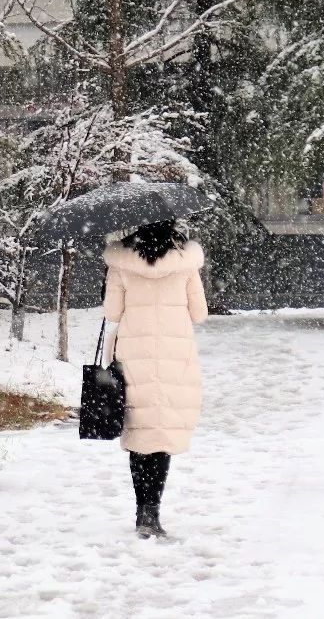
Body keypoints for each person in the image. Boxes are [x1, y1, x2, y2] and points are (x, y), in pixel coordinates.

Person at [101, 221, 209, 539]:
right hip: (174, 357)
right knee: (161, 436)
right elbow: (199, 313)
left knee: (139, 434)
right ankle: (153, 512)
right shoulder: (185, 264)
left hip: (135, 354)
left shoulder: (122, 263)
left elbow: (111, 312)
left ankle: (141, 512)